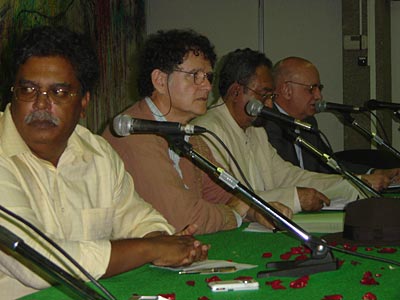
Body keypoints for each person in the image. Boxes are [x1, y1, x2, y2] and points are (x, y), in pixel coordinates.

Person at [0, 26, 208, 299]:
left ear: (84, 103)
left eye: (59, 92)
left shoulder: (96, 151)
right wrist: (152, 248)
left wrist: (161, 239)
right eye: (28, 89)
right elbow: (36, 262)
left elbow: (135, 215)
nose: (41, 104)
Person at [103, 29, 292, 235]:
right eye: (195, 76)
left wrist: (255, 211)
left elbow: (224, 194)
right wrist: (234, 213)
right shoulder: (134, 134)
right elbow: (184, 220)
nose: (207, 87)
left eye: (208, 77)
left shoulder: (187, 135)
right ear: (159, 80)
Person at [192, 48, 361, 214]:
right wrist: (294, 198)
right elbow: (230, 199)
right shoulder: (205, 132)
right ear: (236, 92)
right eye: (264, 95)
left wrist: (351, 184)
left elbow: (288, 176)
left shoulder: (256, 130)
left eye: (270, 97)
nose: (270, 105)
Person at [263, 56, 400, 191]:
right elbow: (290, 178)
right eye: (311, 88)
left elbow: (330, 164)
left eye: (319, 88)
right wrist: (360, 179)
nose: (319, 96)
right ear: (287, 90)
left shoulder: (308, 122)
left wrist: (374, 172)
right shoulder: (266, 124)